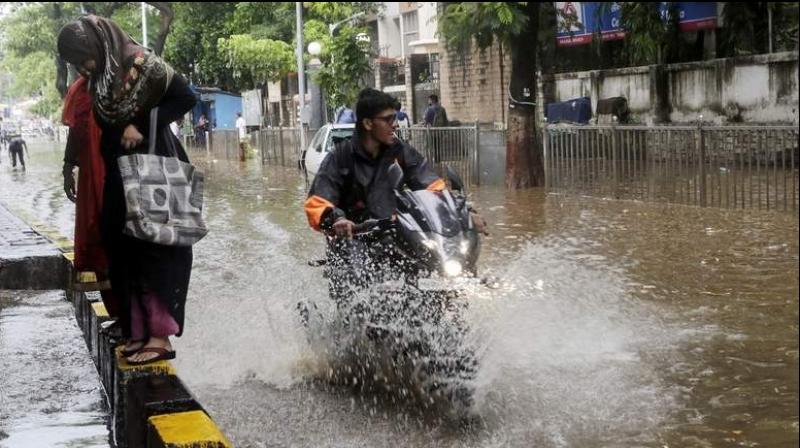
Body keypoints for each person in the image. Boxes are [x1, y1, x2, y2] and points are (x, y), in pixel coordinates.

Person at [58, 15, 197, 366]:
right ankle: (136, 331)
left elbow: (185, 97)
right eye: (77, 62)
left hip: (154, 164)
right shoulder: (100, 77)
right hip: (119, 172)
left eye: (84, 57)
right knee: (120, 248)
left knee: (155, 249)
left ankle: (160, 337)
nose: (84, 66)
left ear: (97, 44)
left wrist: (139, 123)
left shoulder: (140, 62)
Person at [61, 75, 120, 317]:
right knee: (97, 241)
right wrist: (67, 166)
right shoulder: (80, 89)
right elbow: (76, 131)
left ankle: (133, 323)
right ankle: (118, 316)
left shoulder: (123, 79)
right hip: (92, 174)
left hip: (116, 173)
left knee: (119, 243)